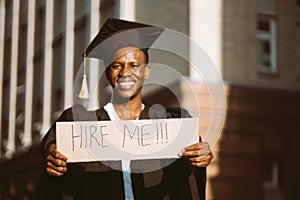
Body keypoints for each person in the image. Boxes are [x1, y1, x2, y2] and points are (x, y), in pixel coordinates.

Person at [38, 18, 213, 200]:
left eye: (134, 65)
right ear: (108, 73)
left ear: (147, 71)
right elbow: (54, 177)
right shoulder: (81, 125)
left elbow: (188, 180)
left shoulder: (171, 124)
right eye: (116, 65)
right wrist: (53, 165)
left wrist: (199, 159)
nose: (125, 73)